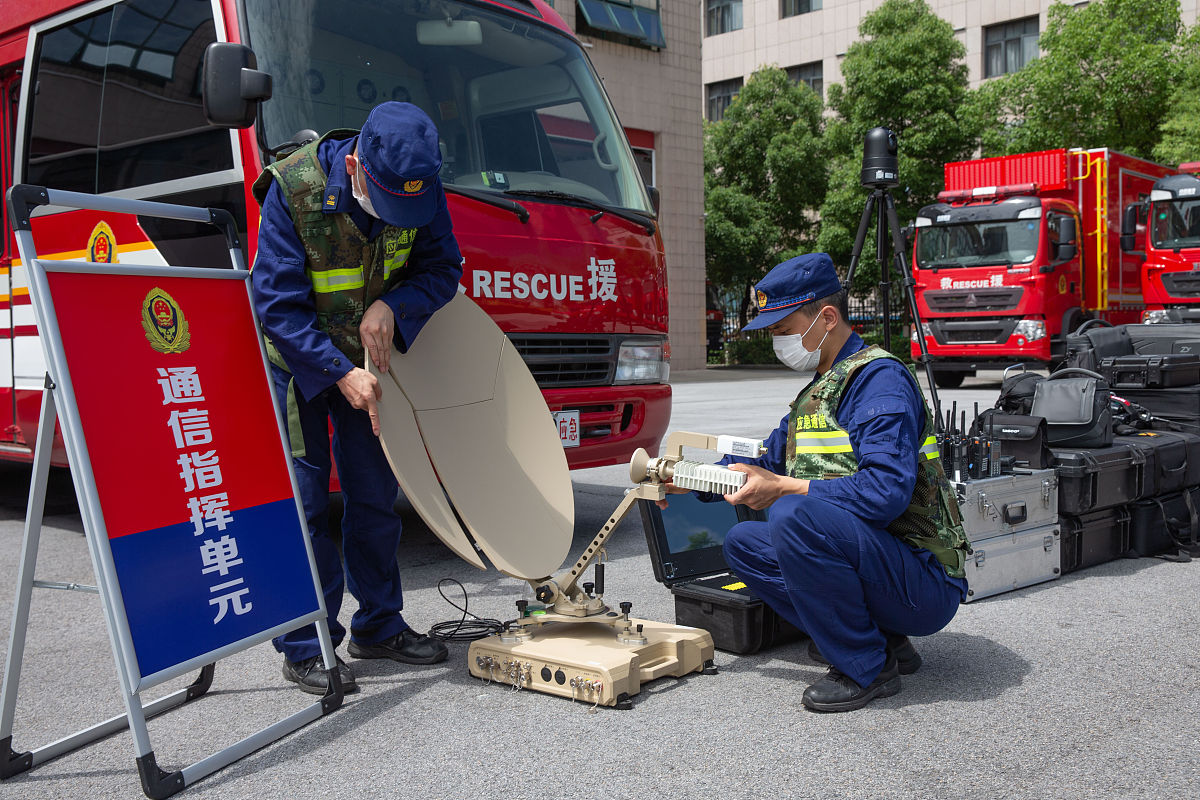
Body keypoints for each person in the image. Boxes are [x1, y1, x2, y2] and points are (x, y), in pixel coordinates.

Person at [670, 253, 971, 712]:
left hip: (924, 579)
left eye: (783, 329)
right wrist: (684, 477)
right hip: (881, 563)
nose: (777, 341)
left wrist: (788, 488)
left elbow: (884, 494)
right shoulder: (821, 389)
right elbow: (762, 458)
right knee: (745, 543)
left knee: (793, 514)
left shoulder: (879, 382)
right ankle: (884, 640)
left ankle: (866, 667)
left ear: (826, 318)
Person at [250, 102, 463, 694]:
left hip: (372, 368)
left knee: (374, 496)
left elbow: (443, 268)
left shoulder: (422, 190)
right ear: (354, 167)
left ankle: (379, 625)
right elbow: (275, 305)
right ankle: (307, 642)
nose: (399, 216)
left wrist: (394, 305)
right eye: (387, 201)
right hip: (301, 368)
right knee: (308, 502)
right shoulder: (294, 190)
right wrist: (338, 371)